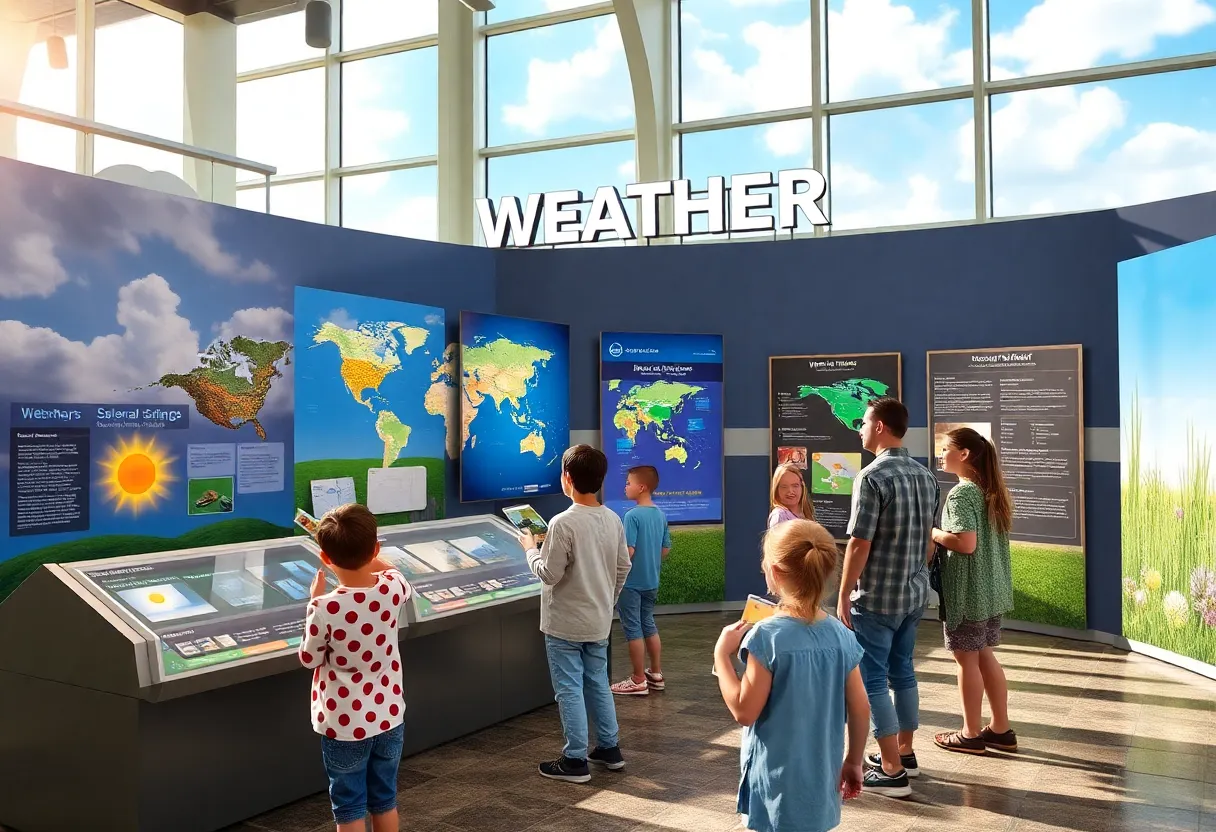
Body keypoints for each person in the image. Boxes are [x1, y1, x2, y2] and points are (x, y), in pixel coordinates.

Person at [714, 519, 870, 832]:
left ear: (775, 572)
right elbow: (860, 708)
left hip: (776, 792)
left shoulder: (767, 637)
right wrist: (854, 760)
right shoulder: (842, 636)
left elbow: (744, 711)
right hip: (821, 786)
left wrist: (722, 657)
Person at [837, 397, 938, 798]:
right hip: (913, 597)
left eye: (863, 422)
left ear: (880, 427)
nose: (859, 428)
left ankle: (892, 770)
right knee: (904, 672)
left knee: (873, 679)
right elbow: (929, 543)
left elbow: (859, 543)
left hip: (876, 600)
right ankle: (905, 753)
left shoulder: (872, 477)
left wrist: (844, 594)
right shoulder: (925, 476)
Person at [521, 444, 633, 783]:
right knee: (598, 682)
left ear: (567, 479)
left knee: (568, 688)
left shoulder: (561, 523)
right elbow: (623, 566)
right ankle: (609, 749)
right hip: (598, 621)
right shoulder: (612, 518)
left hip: (564, 625)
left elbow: (549, 574)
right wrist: (607, 599)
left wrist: (530, 550)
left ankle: (574, 760)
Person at [299, 504, 411, 832]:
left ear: (325, 557)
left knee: (348, 807)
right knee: (385, 799)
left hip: (344, 725)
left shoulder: (323, 607)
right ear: (375, 548)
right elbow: (392, 571)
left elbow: (309, 658)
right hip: (389, 717)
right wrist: (369, 553)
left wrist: (312, 600)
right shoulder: (392, 588)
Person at [930, 427, 1017, 754]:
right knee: (983, 655)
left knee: (966, 660)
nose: (941, 454)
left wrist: (934, 532)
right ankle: (1000, 728)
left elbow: (965, 543)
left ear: (963, 454)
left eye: (945, 448)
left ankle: (970, 734)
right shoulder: (989, 490)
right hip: (991, 591)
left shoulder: (961, 494)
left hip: (968, 593)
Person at [611, 465, 672, 696]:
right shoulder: (660, 514)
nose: (625, 486)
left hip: (631, 584)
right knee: (648, 623)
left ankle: (637, 679)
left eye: (628, 483)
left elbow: (628, 551)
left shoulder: (631, 516)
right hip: (651, 582)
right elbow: (665, 549)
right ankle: (655, 674)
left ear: (642, 487)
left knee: (633, 628)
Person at [768, 463, 815, 529]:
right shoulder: (780, 515)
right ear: (776, 490)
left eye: (795, 486)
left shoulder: (805, 512)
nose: (790, 491)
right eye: (784, 487)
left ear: (802, 487)